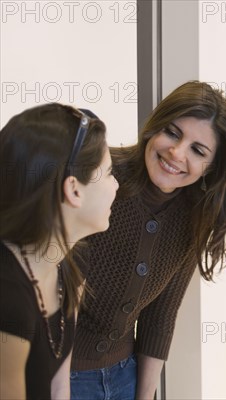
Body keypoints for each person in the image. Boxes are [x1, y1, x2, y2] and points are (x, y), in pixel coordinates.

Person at [69, 81, 226, 399]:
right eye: (173, 133)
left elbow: (161, 314)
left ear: (211, 168)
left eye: (198, 150)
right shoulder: (99, 177)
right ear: (155, 126)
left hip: (126, 377)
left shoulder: (195, 214)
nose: (176, 153)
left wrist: (145, 394)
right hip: (60, 375)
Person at [0, 103, 118, 399]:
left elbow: (59, 383)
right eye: (109, 173)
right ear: (74, 190)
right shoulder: (8, 298)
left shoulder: (70, 259)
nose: (117, 185)